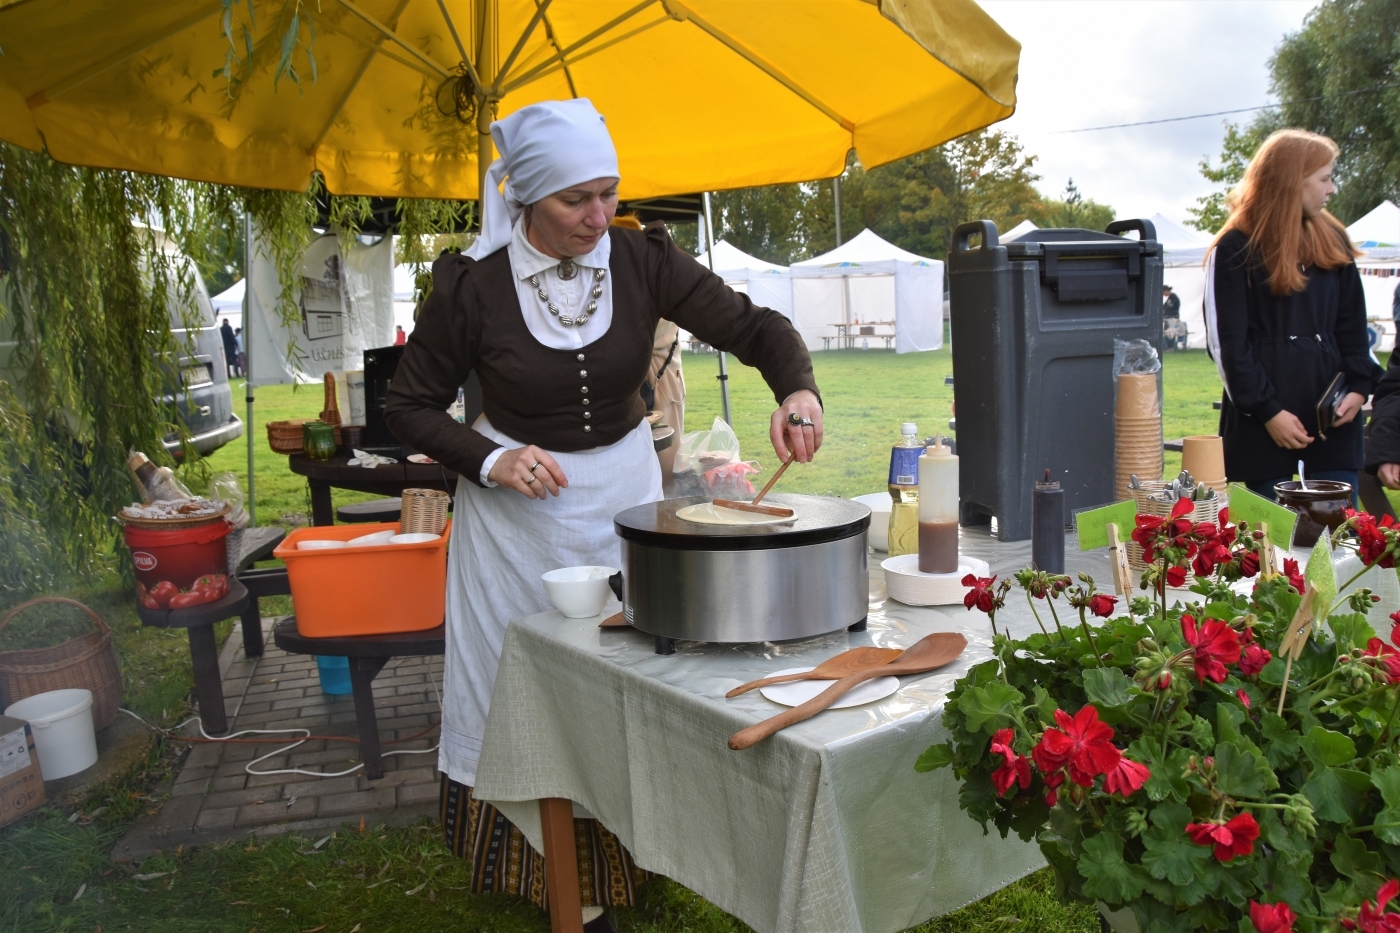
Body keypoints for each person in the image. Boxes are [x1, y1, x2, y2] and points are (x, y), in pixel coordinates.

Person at [383, 99, 821, 928]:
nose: (599, 216)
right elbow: (405, 407)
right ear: (527, 203)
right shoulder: (473, 287)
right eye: (575, 201)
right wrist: (491, 458)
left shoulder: (641, 258)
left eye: (608, 194)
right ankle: (556, 883)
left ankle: (636, 850)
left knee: (629, 680)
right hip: (516, 526)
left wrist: (796, 387)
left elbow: (754, 326)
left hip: (622, 500)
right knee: (533, 691)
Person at [1204, 128, 1380, 501]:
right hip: (1266, 426)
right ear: (1291, 180)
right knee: (1278, 550)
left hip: (1333, 421)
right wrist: (1268, 412)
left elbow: (1351, 326)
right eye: (1325, 178)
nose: (1331, 189)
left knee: (1340, 541)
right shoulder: (1235, 248)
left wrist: (1360, 387)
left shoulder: (1333, 239)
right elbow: (1228, 346)